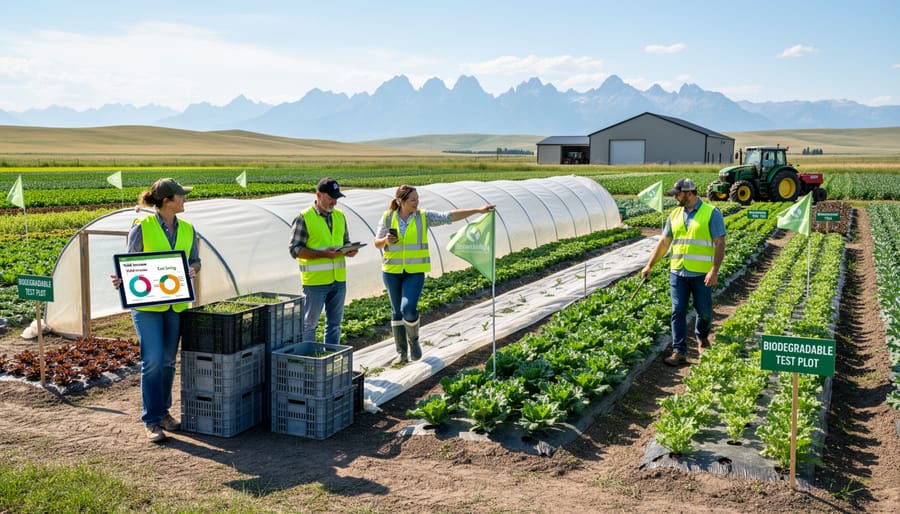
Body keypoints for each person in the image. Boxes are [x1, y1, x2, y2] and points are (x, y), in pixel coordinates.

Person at [111, 178, 201, 443]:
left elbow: (195, 259)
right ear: (166, 201)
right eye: (180, 196)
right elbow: (130, 264)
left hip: (175, 305)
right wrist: (122, 280)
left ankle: (164, 413)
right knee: (151, 361)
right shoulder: (142, 228)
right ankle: (151, 420)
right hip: (147, 306)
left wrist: (194, 269)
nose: (185, 199)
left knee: (167, 361)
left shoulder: (188, 228)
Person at [374, 184, 494, 364]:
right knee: (396, 312)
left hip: (414, 272)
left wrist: (478, 210)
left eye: (417, 199)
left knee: (408, 309)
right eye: (412, 200)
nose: (416, 203)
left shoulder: (424, 217)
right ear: (401, 201)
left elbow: (449, 216)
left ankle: (413, 342)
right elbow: (377, 243)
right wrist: (385, 240)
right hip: (391, 271)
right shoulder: (388, 217)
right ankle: (401, 353)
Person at [641, 178, 726, 366]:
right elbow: (664, 243)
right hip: (678, 272)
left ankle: (702, 338)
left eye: (677, 194)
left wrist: (714, 270)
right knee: (677, 311)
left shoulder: (711, 213)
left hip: (702, 274)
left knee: (704, 313)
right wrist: (650, 265)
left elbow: (720, 243)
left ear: (688, 193)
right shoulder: (674, 215)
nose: (675, 198)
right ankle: (679, 351)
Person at [289, 178, 358, 345]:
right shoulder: (304, 218)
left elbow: (345, 241)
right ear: (318, 195)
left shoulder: (340, 216)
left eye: (336, 198)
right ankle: (309, 362)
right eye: (330, 198)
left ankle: (331, 360)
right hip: (316, 283)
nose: (334, 202)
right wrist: (323, 254)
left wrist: (349, 250)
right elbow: (295, 250)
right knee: (309, 325)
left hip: (338, 280)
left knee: (335, 325)